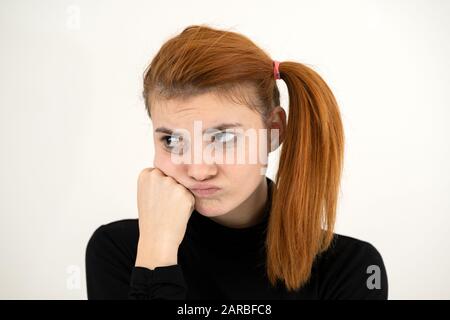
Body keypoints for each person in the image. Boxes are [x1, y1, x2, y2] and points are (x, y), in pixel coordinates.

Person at [85, 24, 388, 300]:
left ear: (274, 131)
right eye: (173, 141)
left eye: (223, 138)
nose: (199, 170)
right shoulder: (120, 251)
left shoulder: (352, 269)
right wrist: (155, 256)